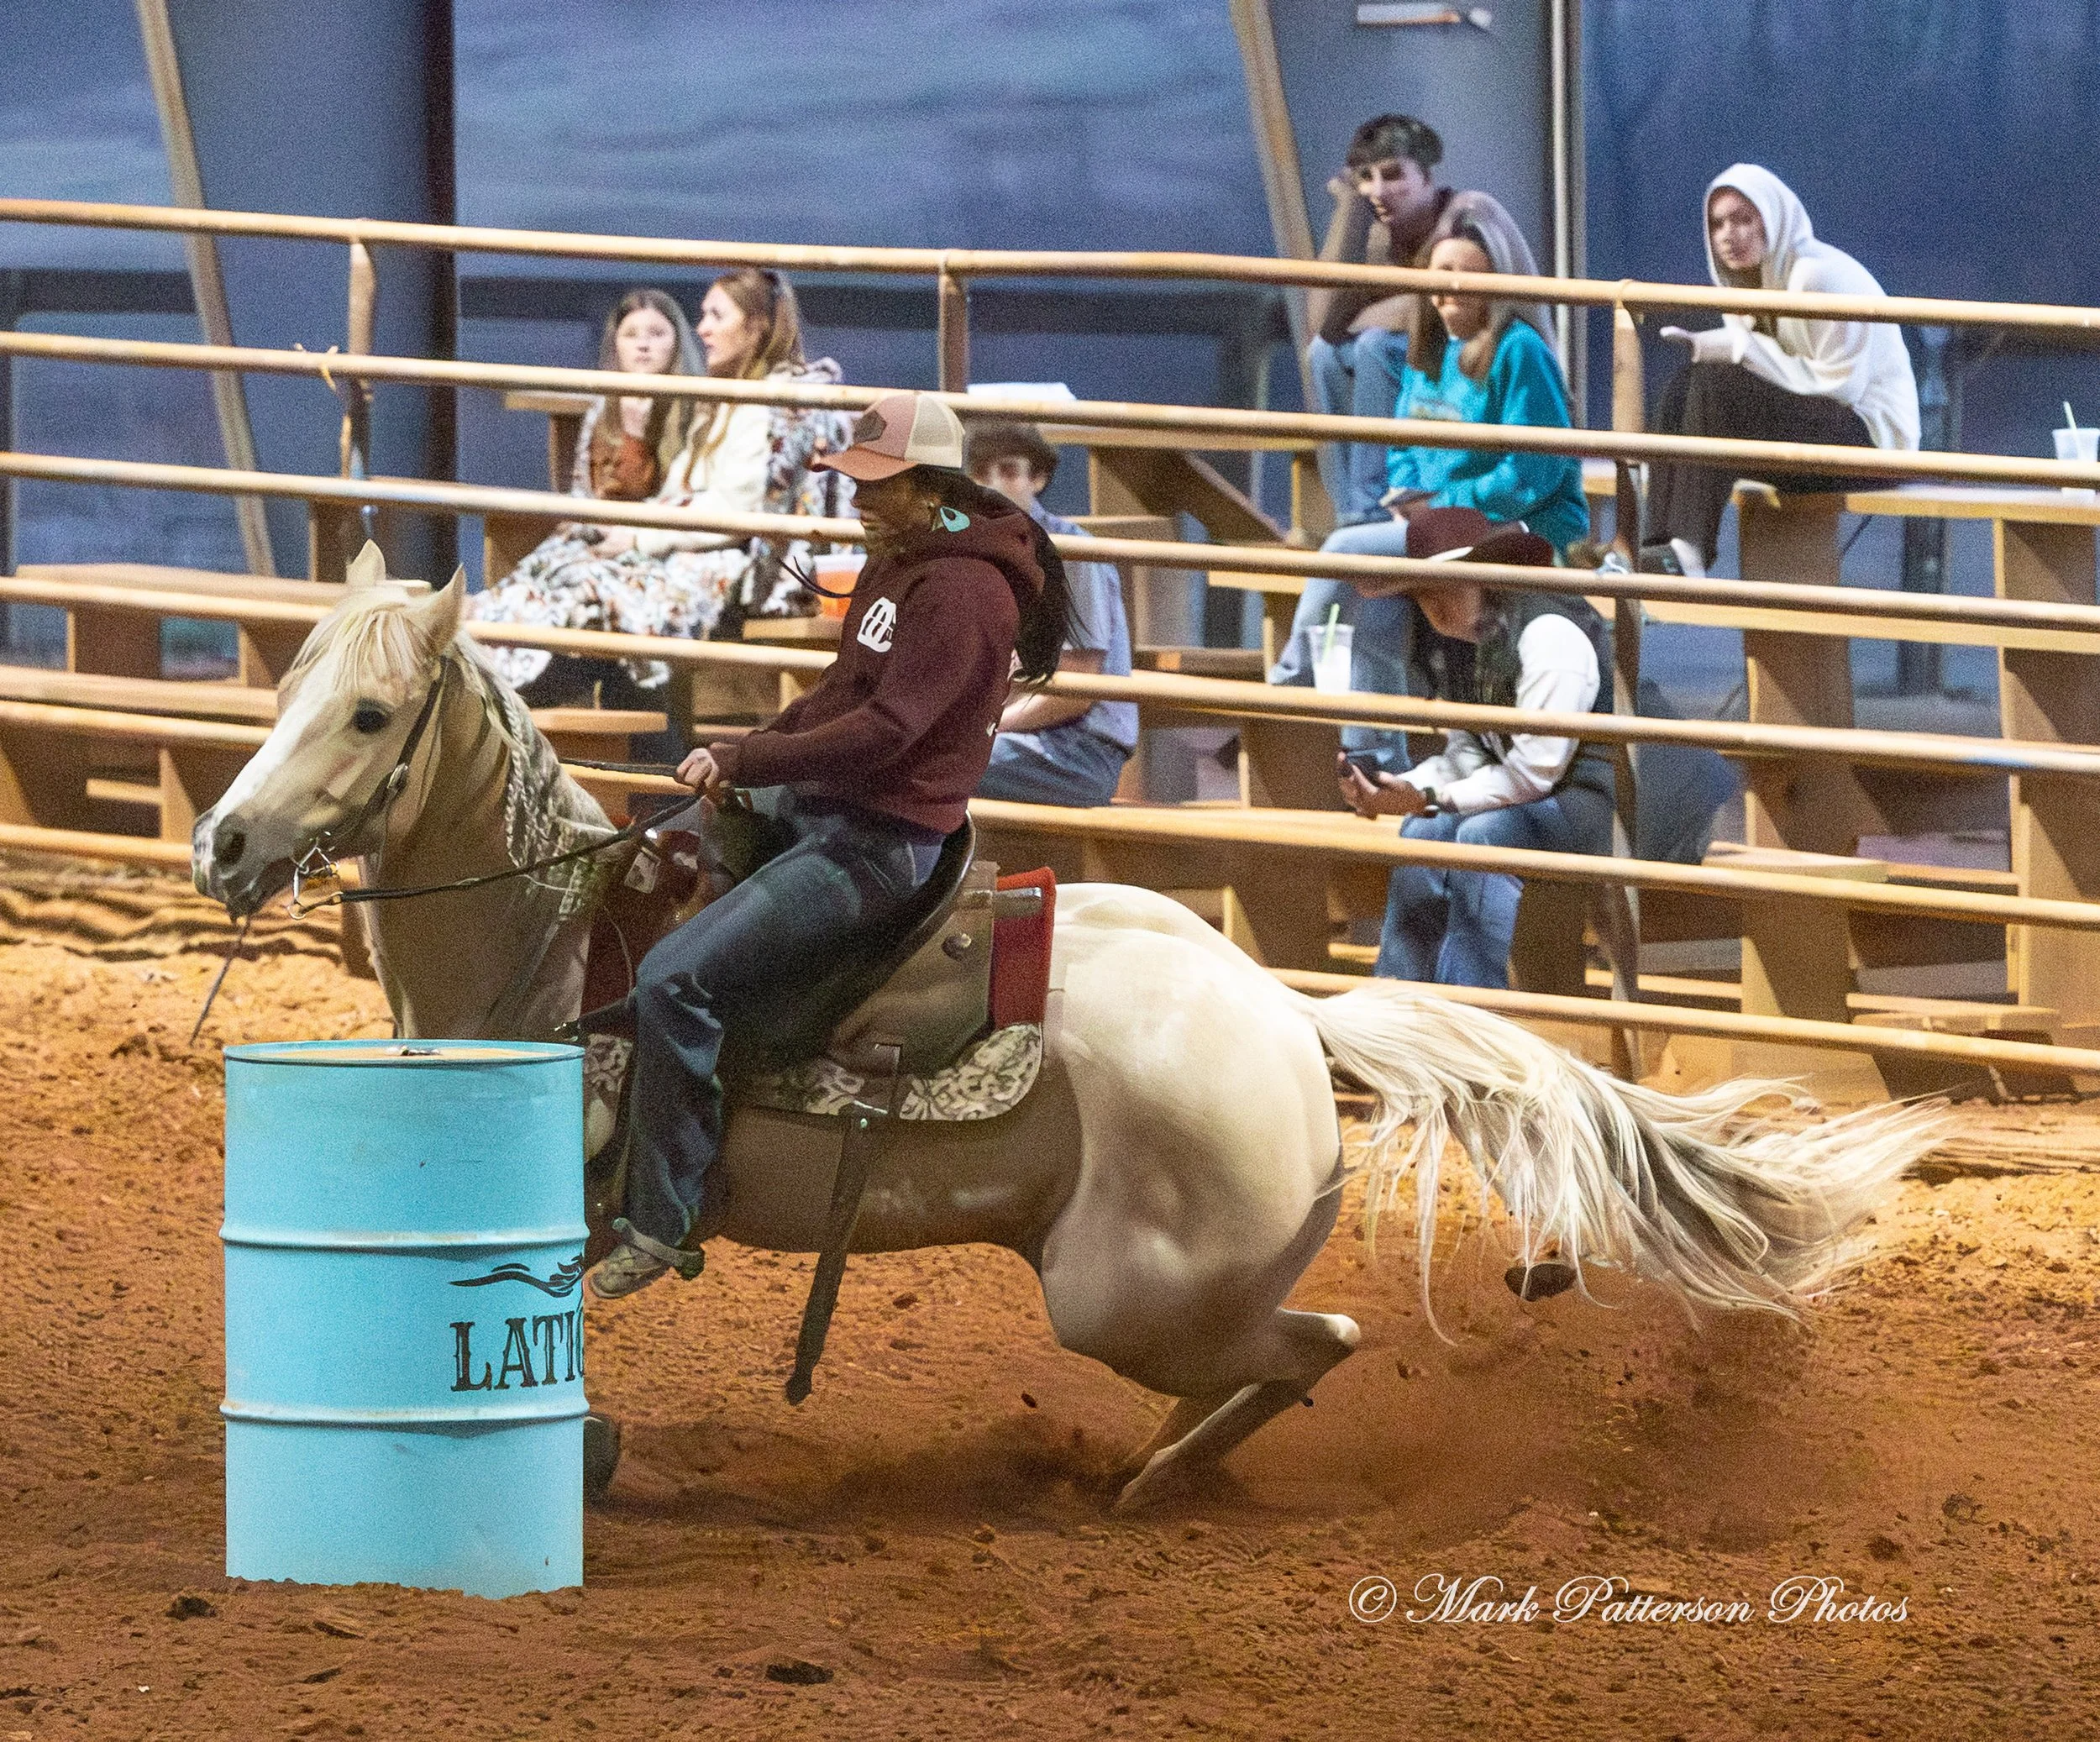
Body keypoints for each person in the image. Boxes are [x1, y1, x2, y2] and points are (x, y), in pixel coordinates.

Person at [588, 392, 1072, 1299]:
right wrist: (755, 752)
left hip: (880, 843)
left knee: (673, 977)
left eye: (873, 483)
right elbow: (840, 692)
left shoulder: (962, 592)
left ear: (926, 489)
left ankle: (665, 1212)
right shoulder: (903, 560)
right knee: (640, 868)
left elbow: (887, 730)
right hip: (831, 809)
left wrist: (754, 755)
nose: (855, 497)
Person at [1272, 192, 1587, 772]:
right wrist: (1407, 498)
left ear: (1499, 281)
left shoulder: (1521, 350)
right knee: (1376, 598)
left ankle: (1290, 677)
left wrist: (1446, 505)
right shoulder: (1431, 350)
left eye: (1466, 277)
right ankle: (1372, 758)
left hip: (1515, 526)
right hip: (1440, 524)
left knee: (1347, 551)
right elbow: (1404, 447)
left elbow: (1533, 473)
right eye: (1438, 277)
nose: (1448, 292)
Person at [475, 270, 855, 701]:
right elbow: (678, 491)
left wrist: (638, 537)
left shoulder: (770, 405)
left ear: (756, 326)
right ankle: (485, 665)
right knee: (559, 566)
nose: (702, 328)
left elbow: (734, 512)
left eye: (716, 315)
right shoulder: (728, 399)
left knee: (588, 589)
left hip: (724, 562)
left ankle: (506, 701)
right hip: (686, 547)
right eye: (702, 315)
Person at [1336, 506, 1614, 989]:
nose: (1435, 606)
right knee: (1424, 832)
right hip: (1552, 798)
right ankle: (1400, 1002)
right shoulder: (1470, 643)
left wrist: (1430, 797)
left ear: (1485, 581)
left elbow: (1533, 773)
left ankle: (1472, 1010)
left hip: (1615, 803)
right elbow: (1469, 753)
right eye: (1424, 594)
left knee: (1483, 836)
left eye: (1449, 588)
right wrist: (1405, 788)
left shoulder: (1549, 632)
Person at [1641, 165, 1920, 579]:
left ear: (1772, 218)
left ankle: (1690, 551)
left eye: (1743, 219)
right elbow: (1767, 364)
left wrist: (1736, 349)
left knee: (1715, 384)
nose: (1728, 235)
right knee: (1686, 383)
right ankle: (1659, 548)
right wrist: (1719, 346)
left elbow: (1842, 386)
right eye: (1718, 223)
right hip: (1820, 429)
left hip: (1874, 442)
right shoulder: (1744, 287)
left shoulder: (1815, 276)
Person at [964, 421, 1136, 806]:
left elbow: (1076, 691)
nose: (991, 485)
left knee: (920, 764)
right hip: (1016, 737)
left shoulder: (1068, 551)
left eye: (1008, 471)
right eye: (979, 473)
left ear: (1038, 478)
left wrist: (977, 729)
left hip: (1080, 749)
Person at [1306, 112, 1457, 526]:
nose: (1378, 190)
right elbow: (1322, 324)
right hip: (1410, 372)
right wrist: (1347, 211)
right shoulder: (1375, 235)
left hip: (1460, 376)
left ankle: (1369, 507)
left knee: (1375, 345)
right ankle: (1349, 513)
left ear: (1427, 177)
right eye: (1366, 177)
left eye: (1393, 176)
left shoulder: (1458, 222)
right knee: (1323, 353)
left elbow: (1431, 309)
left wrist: (1377, 315)